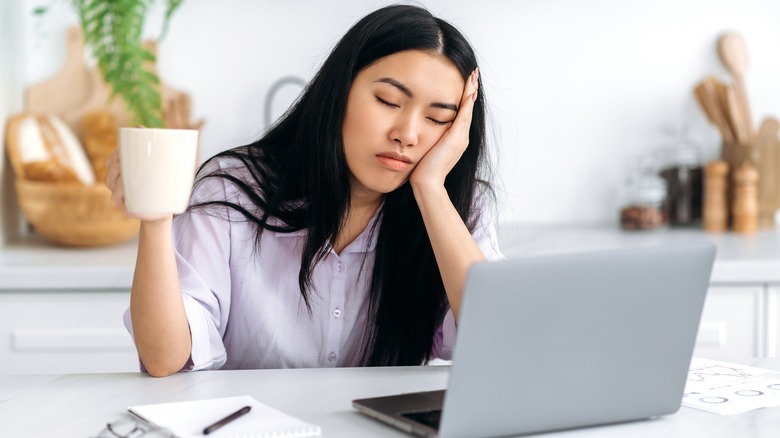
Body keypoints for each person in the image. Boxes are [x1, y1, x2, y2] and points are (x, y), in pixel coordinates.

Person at [106, 4, 503, 377]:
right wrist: (156, 220)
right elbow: (165, 360)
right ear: (339, 91)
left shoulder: (458, 212)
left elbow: (497, 340)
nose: (408, 135)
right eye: (388, 101)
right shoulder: (235, 191)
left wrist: (431, 190)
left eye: (437, 118)